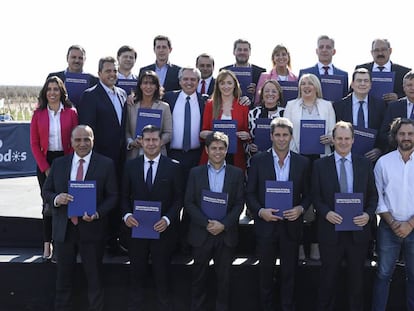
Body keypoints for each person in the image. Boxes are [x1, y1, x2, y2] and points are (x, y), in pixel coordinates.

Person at [42, 125, 118, 311]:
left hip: (92, 230)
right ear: (71, 142)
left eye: (87, 139)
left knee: (94, 281)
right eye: (78, 140)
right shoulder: (59, 164)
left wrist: (97, 212)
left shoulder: (106, 164)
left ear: (93, 140)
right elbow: (46, 191)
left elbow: (113, 196)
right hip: (64, 231)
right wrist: (57, 199)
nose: (82, 143)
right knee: (63, 281)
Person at [246, 117, 311, 311]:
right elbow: (249, 193)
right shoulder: (258, 161)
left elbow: (308, 194)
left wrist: (300, 209)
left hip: (291, 226)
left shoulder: (303, 162)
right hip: (266, 226)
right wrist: (260, 211)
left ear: (291, 137)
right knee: (265, 274)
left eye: (285, 135)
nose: (281, 139)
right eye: (277, 135)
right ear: (271, 136)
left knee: (289, 273)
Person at [312, 121, 377, 311]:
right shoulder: (319, 165)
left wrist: (368, 214)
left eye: (347, 138)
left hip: (357, 233)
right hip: (330, 231)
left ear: (353, 140)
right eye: (339, 138)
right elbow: (315, 196)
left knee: (356, 283)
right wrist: (326, 213)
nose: (343, 142)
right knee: (327, 281)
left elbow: (373, 196)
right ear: (332, 140)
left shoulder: (364, 164)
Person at [121, 125, 183, 311]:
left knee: (162, 278)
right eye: (147, 140)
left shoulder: (173, 167)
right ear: (141, 141)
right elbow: (123, 196)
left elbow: (179, 199)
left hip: (162, 232)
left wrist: (167, 219)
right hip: (136, 230)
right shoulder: (130, 166)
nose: (151, 143)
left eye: (155, 139)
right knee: (136, 277)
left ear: (161, 141)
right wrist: (127, 215)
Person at [185, 131, 245, 311]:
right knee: (198, 280)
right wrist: (206, 223)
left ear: (227, 150)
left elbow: (239, 203)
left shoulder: (236, 173)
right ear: (206, 150)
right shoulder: (195, 173)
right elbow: (189, 202)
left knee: (224, 281)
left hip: (225, 235)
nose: (217, 152)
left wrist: (224, 224)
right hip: (201, 233)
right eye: (213, 148)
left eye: (221, 148)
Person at [77, 56, 128, 255]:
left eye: (115, 70)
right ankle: (97, 244)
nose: (112, 74)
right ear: (99, 74)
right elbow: (88, 131)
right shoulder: (90, 95)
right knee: (100, 199)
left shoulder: (123, 94)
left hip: (121, 158)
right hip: (100, 159)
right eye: (108, 71)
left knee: (115, 198)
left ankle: (113, 241)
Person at [284, 73, 336, 260]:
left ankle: (315, 245)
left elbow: (333, 133)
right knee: (298, 204)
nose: (306, 86)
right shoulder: (291, 106)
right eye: (303, 83)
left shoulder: (327, 106)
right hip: (298, 160)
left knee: (318, 204)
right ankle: (298, 246)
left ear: (316, 87)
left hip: (320, 160)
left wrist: (330, 137)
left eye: (310, 83)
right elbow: (285, 134)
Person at [30, 76, 79, 261]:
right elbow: (34, 144)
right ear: (45, 92)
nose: (52, 92)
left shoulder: (71, 113)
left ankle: (61, 246)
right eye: (49, 89)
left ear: (61, 92)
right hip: (45, 161)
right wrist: (46, 168)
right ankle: (46, 246)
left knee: (65, 203)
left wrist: (66, 164)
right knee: (48, 205)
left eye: (56, 89)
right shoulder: (38, 114)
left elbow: (75, 139)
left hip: (65, 160)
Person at [371, 117, 414, 311]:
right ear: (395, 136)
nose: (406, 137)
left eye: (410, 133)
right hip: (389, 228)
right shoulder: (383, 162)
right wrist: (393, 223)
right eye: (402, 133)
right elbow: (377, 197)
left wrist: (410, 224)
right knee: (383, 274)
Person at [163, 66, 206, 255]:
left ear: (198, 82)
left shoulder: (205, 101)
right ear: (179, 81)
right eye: (185, 79)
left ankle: (187, 243)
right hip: (173, 155)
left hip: (196, 155)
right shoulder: (168, 99)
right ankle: (169, 242)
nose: (189, 82)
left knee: (192, 199)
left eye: (193, 80)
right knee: (172, 197)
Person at [199, 69, 250, 172]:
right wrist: (214, 133)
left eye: (229, 83)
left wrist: (246, 135)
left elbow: (248, 133)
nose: (226, 86)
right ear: (218, 85)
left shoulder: (243, 106)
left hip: (235, 156)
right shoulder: (210, 105)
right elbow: (203, 133)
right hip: (213, 155)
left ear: (235, 85)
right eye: (222, 83)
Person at [333, 68, 387, 162]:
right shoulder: (339, 106)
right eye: (359, 80)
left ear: (370, 85)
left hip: (371, 159)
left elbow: (383, 131)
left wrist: (379, 150)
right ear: (352, 84)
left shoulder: (381, 106)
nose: (362, 84)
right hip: (345, 156)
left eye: (366, 81)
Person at [126, 70, 172, 159]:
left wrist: (154, 143)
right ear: (140, 85)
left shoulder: (164, 107)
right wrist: (131, 142)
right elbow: (126, 131)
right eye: (145, 83)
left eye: (152, 83)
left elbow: (168, 133)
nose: (148, 86)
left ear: (156, 87)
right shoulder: (131, 106)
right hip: (135, 154)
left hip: (158, 154)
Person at [355, 38, 411, 103]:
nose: (380, 53)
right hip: (367, 110)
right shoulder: (361, 69)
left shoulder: (404, 72)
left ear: (390, 51)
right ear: (372, 52)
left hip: (393, 111)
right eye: (376, 50)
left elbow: (411, 93)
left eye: (383, 50)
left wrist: (398, 97)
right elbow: (352, 92)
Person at [247, 79, 285, 165]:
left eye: (274, 91)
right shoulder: (252, 113)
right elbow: (247, 138)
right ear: (262, 94)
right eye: (267, 91)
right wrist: (249, 147)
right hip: (256, 160)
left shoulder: (285, 114)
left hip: (279, 160)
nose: (270, 94)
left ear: (279, 95)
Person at [299, 35, 349, 99]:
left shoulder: (343, 75)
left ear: (334, 51)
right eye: (321, 47)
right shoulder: (305, 73)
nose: (324, 50)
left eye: (328, 47)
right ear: (317, 51)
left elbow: (344, 99)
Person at [220, 39, 266, 103]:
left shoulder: (261, 72)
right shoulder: (224, 71)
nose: (242, 52)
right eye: (239, 50)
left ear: (250, 52)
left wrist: (257, 92)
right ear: (234, 52)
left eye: (245, 50)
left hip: (251, 110)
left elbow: (265, 96)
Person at [379, 71, 414, 152]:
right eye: (409, 85)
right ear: (403, 87)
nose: (413, 88)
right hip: (397, 153)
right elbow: (383, 133)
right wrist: (401, 141)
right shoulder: (394, 106)